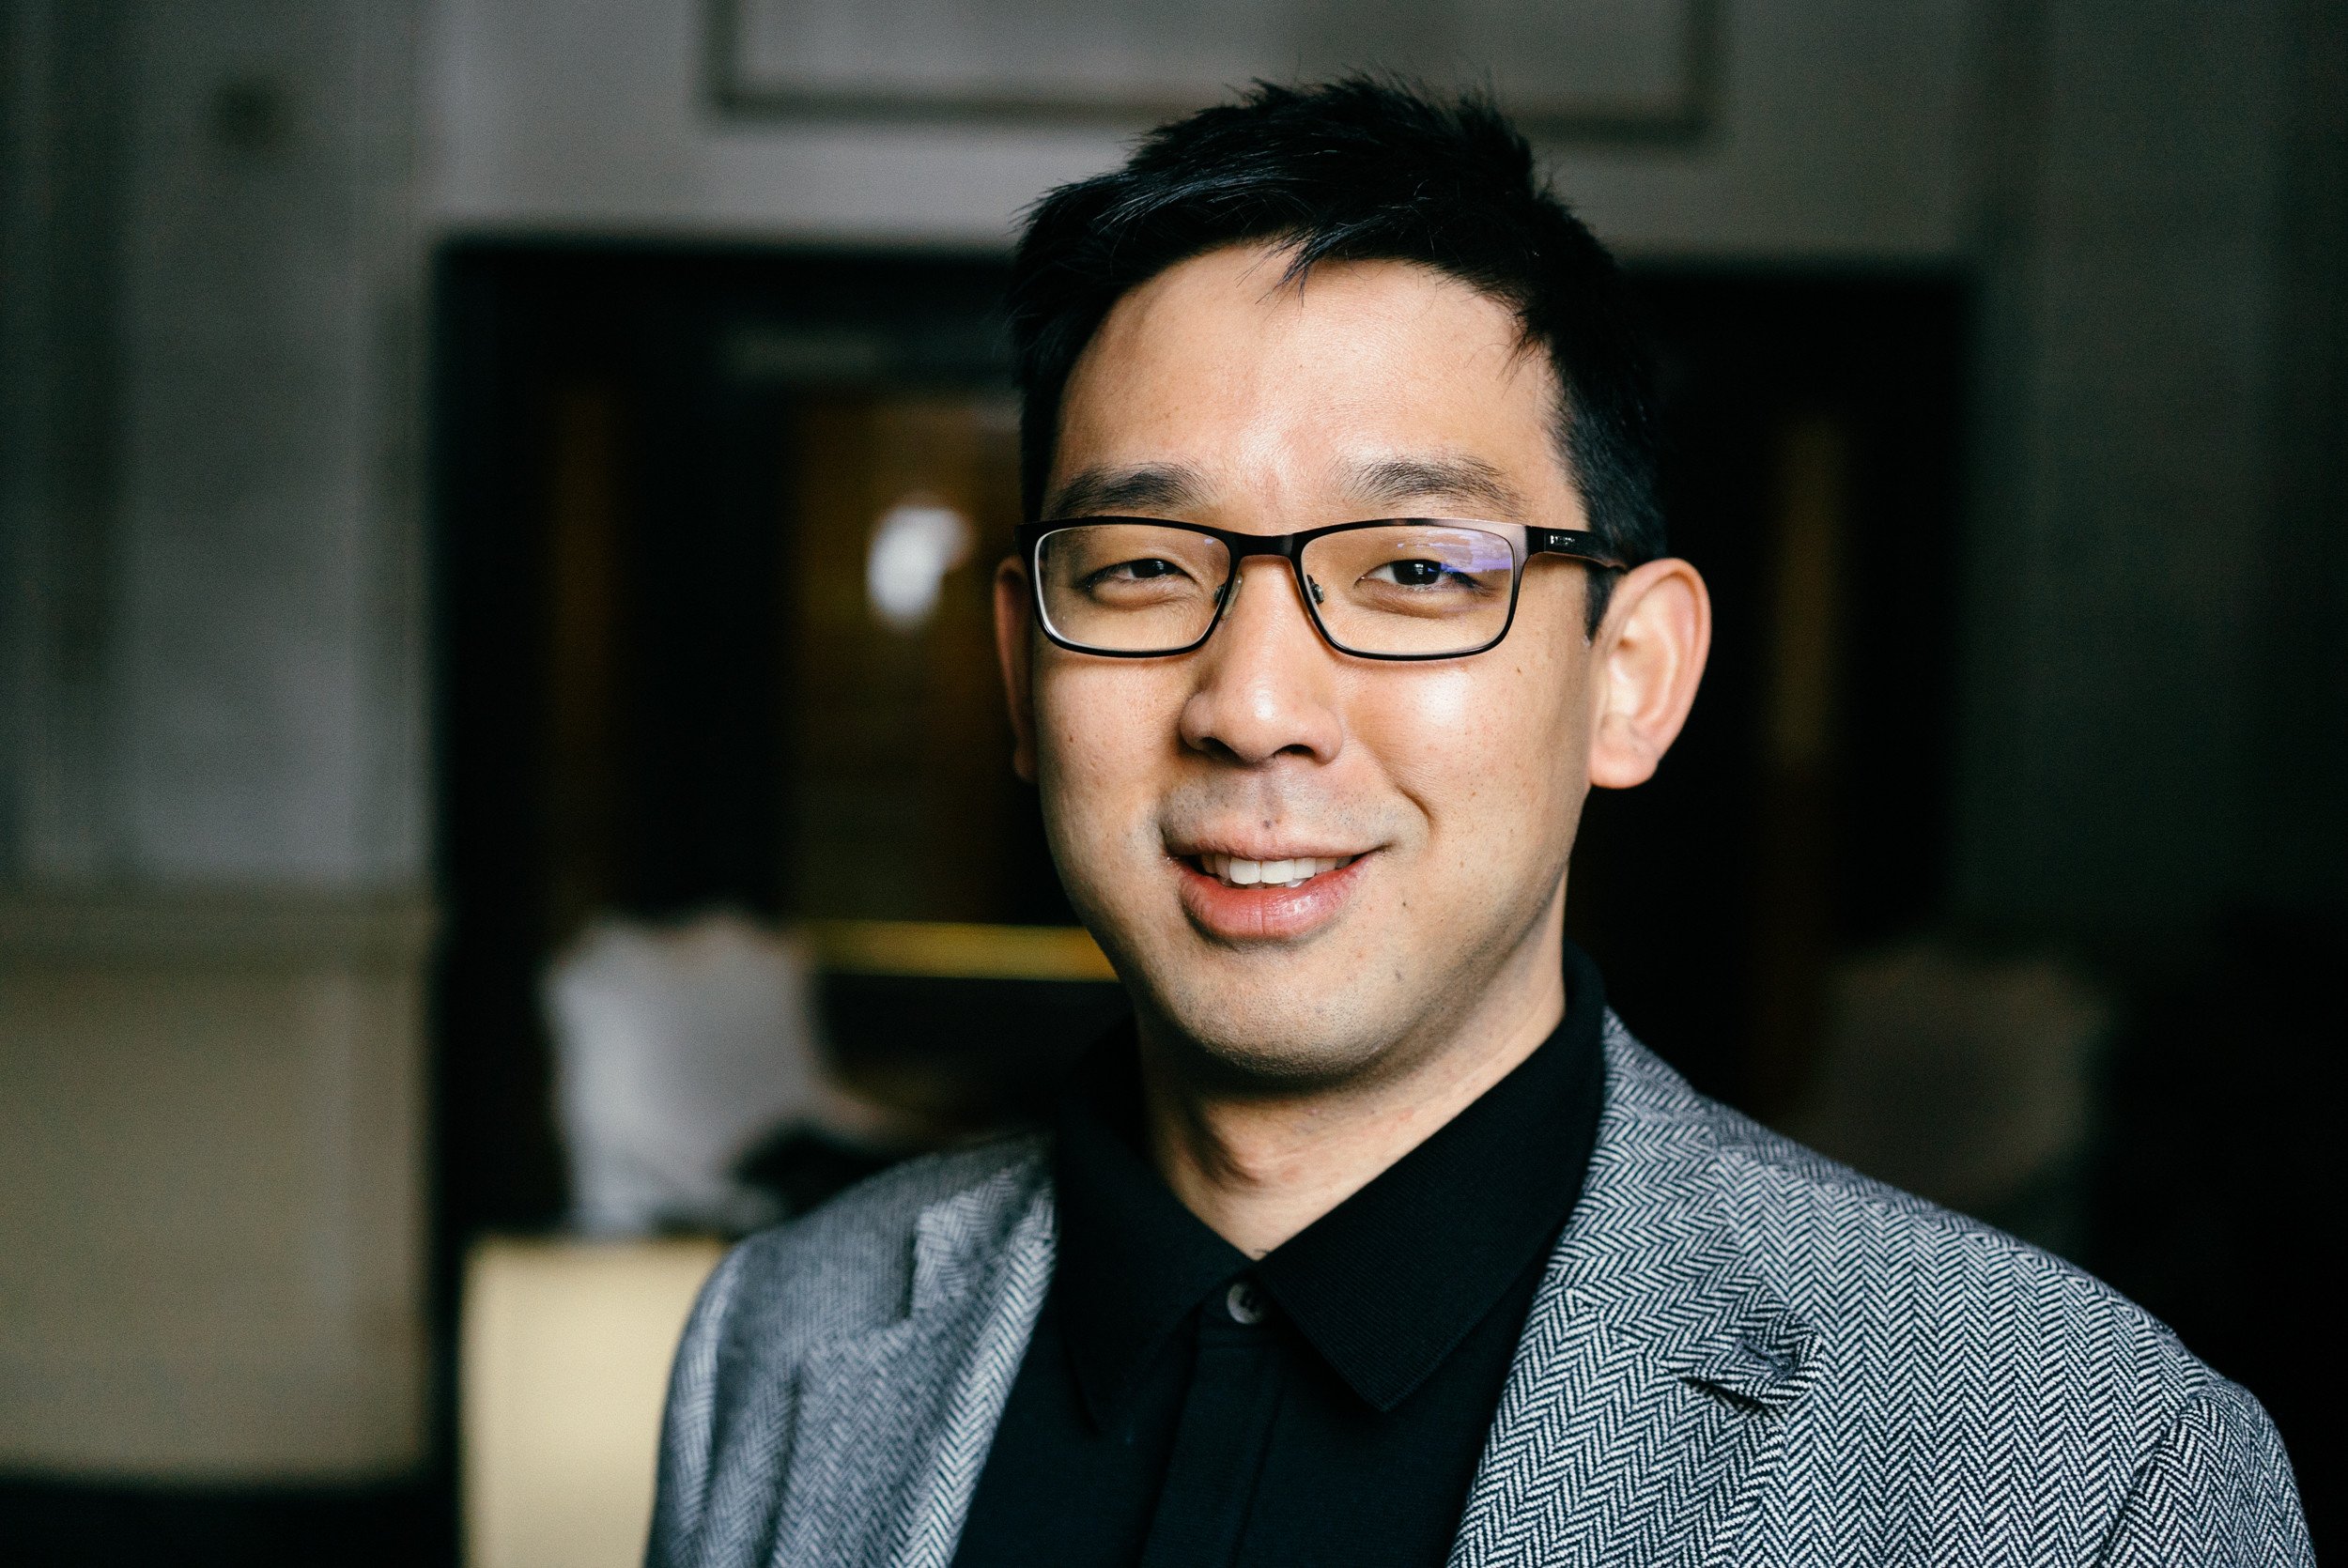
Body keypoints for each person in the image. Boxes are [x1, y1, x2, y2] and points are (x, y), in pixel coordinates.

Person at [646, 80, 2309, 1567]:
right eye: (1147, 567)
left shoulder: (2082, 1481)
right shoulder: (782, 1339)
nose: (1255, 702)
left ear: (1632, 677)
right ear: (1024, 672)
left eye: (1417, 571)